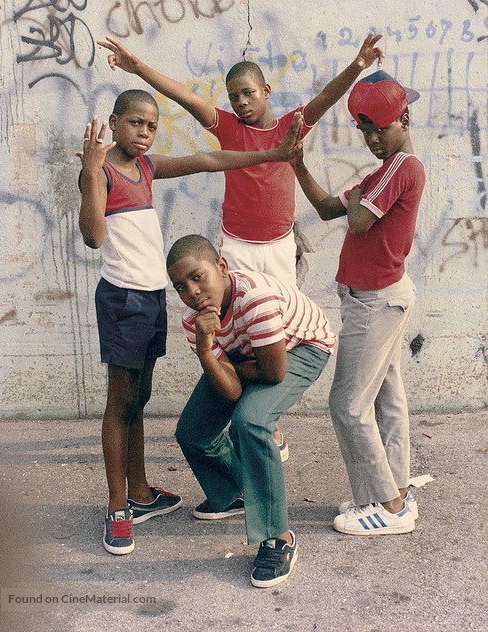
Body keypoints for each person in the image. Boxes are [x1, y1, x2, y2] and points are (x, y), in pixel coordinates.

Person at [97, 31, 384, 456]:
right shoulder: (228, 127)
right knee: (233, 333)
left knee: (276, 335)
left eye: (248, 93)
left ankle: (269, 420)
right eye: (234, 97)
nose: (242, 103)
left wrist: (358, 66)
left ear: (266, 91)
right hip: (237, 249)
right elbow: (183, 97)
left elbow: (326, 96)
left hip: (280, 247)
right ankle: (236, 410)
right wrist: (136, 66)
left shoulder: (291, 126)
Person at [76, 89, 303, 555]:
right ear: (114, 122)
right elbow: (94, 236)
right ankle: (118, 510)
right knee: (120, 403)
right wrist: (89, 173)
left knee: (139, 397)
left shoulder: (145, 167)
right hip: (122, 301)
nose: (144, 132)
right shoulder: (100, 172)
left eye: (152, 126)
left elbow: (206, 158)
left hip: (151, 299)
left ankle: (140, 493)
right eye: (135, 123)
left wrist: (276, 153)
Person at [290, 70, 426, 535]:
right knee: (387, 397)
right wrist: (298, 166)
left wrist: (362, 196)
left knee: (347, 404)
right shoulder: (381, 172)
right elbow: (332, 208)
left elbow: (361, 222)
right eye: (365, 130)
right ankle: (395, 492)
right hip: (374, 300)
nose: (371, 139)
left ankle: (386, 507)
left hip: (375, 303)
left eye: (380, 129)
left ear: (404, 119)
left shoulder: (401, 168)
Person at [165, 234, 336, 587]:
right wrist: (204, 349)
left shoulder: (253, 298)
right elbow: (229, 390)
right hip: (250, 354)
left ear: (221, 268)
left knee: (251, 422)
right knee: (193, 431)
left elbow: (274, 372)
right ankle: (234, 493)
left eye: (198, 277)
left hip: (301, 346)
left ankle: (278, 537)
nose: (193, 292)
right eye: (181, 286)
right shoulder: (193, 320)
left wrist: (225, 364)